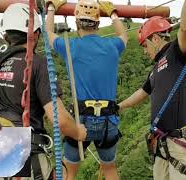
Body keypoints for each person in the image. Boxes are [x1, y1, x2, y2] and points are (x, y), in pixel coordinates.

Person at [0, 3, 87, 179]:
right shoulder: (37, 64)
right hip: (25, 160)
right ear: (34, 33)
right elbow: (60, 120)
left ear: (5, 35)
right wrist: (78, 132)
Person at [118, 0, 186, 180]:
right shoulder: (156, 69)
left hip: (181, 146)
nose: (144, 51)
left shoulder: (177, 53)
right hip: (163, 144)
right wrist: (119, 106)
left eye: (144, 45)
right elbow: (142, 92)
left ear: (155, 39)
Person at [46, 0, 127, 179]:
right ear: (97, 24)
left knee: (69, 170)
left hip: (80, 119)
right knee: (110, 168)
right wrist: (113, 14)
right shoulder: (113, 46)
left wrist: (51, 8)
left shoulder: (70, 46)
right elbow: (123, 36)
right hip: (108, 119)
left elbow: (48, 33)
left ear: (76, 23)